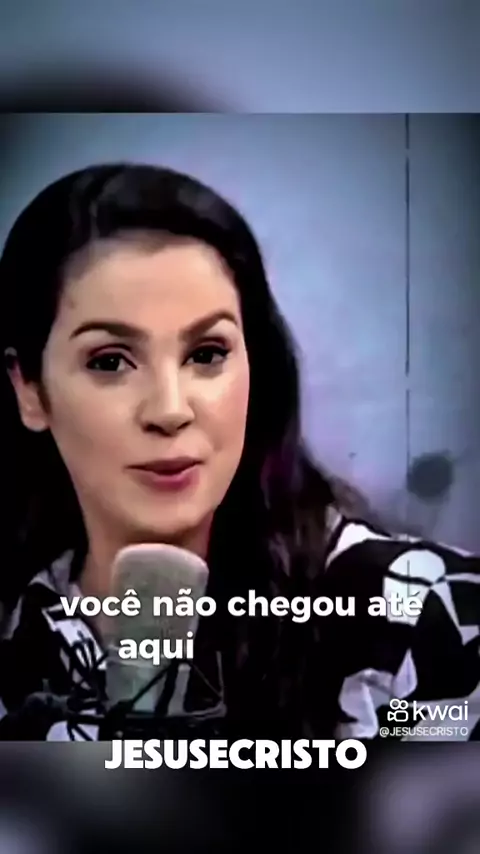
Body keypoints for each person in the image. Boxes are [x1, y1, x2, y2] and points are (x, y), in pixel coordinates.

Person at [0, 163, 479, 741]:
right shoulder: (18, 629)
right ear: (29, 389)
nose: (170, 410)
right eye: (110, 362)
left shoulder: (421, 613)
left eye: (206, 353)